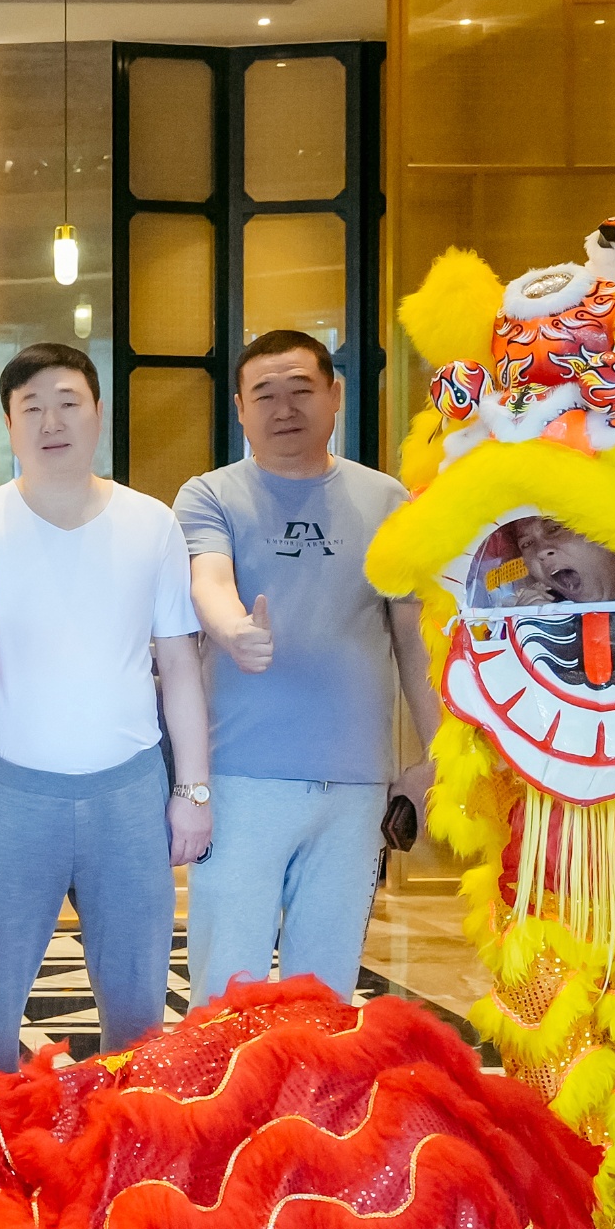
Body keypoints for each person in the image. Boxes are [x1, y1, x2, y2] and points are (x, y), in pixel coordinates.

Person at [0, 339, 211, 1069]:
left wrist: (193, 791)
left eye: (67, 403)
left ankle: (131, 1136)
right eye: (31, 408)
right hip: (8, 794)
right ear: (7, 424)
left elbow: (180, 664)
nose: (51, 422)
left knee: (139, 1010)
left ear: (97, 413)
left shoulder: (151, 522)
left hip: (128, 794)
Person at [174, 333, 437, 1000]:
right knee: (225, 987)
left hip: (355, 784)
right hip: (240, 778)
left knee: (324, 989)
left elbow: (412, 636)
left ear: (334, 395)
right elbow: (208, 578)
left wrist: (437, 754)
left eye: (301, 390)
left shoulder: (387, 501)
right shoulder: (209, 495)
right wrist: (234, 629)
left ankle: (309, 1076)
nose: (284, 408)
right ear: (240, 408)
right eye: (264, 394)